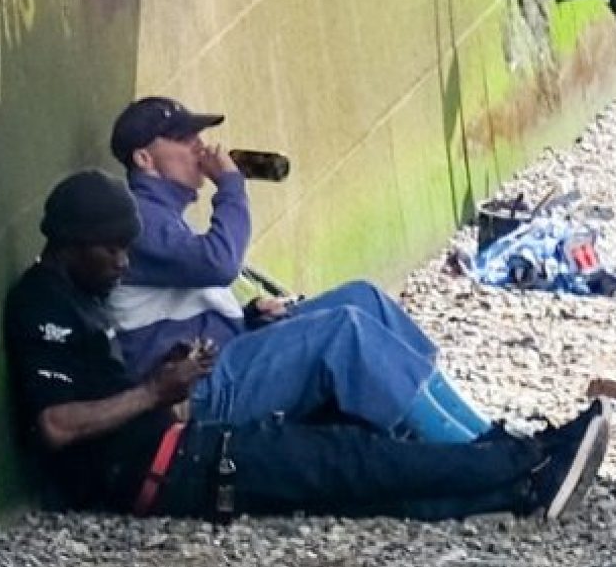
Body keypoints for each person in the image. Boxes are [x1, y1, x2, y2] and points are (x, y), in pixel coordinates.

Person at [3, 170, 610, 522]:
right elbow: (56, 425)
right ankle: (521, 460)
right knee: (348, 464)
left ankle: (516, 483)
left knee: (354, 466)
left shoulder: (83, 294)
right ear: (71, 243)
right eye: (111, 251)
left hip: (180, 441)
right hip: (170, 468)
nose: (123, 263)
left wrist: (165, 379)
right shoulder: (41, 304)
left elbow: (114, 392)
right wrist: (152, 391)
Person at [106, 96, 504, 443]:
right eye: (183, 139)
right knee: (343, 330)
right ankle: (474, 452)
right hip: (197, 391)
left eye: (197, 134)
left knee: (364, 299)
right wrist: (230, 186)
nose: (199, 145)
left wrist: (250, 315)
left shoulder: (162, 214)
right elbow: (219, 262)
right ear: (144, 159)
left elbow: (180, 304)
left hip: (224, 358)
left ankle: (480, 432)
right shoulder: (137, 218)